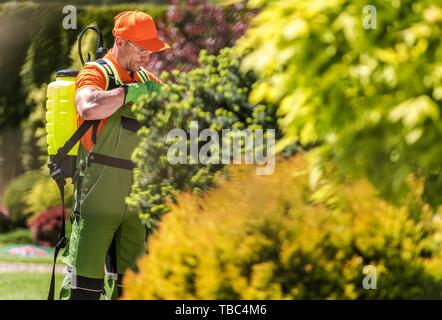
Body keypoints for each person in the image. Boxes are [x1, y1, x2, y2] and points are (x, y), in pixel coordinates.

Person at [58, 10, 170, 300]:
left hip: (137, 201)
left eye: (151, 50)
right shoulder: (97, 73)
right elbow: (88, 107)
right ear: (120, 41)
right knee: (85, 290)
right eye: (142, 49)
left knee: (134, 291)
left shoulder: (150, 79)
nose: (147, 57)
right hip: (98, 195)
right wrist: (129, 93)